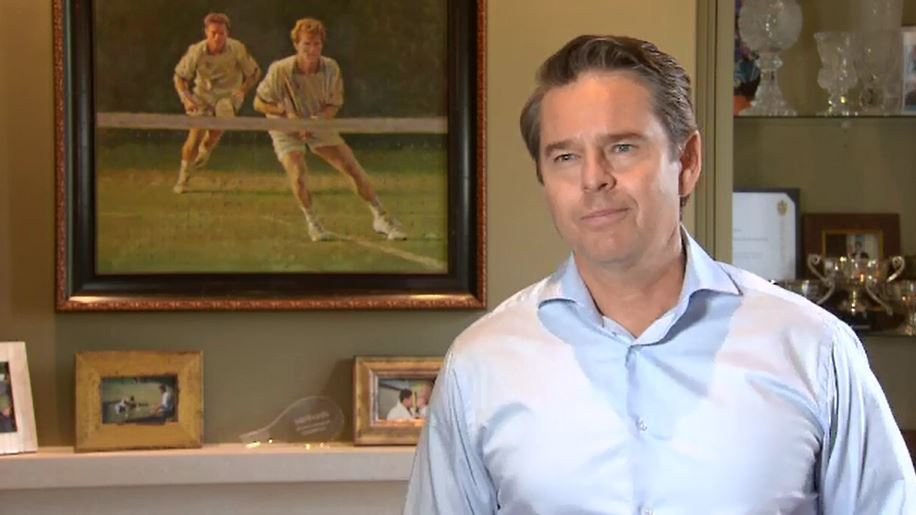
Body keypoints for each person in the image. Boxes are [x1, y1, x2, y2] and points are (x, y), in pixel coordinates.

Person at [404, 35, 916, 514]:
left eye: (622, 147)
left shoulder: (812, 349)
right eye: (565, 156)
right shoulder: (479, 366)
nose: (592, 179)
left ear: (687, 161)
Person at [253, 18, 406, 242]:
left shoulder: (331, 67)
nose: (311, 50)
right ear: (296, 45)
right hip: (284, 125)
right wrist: (287, 116)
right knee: (298, 175)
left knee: (351, 167)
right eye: (306, 44)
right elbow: (258, 103)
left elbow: (333, 104)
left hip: (317, 122)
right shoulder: (279, 69)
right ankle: (314, 224)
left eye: (316, 44)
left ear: (322, 45)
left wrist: (314, 122)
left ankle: (380, 217)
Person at [172, 12, 261, 194]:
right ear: (206, 32)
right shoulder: (196, 51)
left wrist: (242, 90)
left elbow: (255, 73)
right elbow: (179, 77)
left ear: (227, 33)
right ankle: (183, 178)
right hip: (201, 97)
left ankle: (207, 149)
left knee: (219, 122)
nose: (217, 37)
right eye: (213, 33)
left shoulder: (237, 48)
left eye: (221, 33)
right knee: (195, 137)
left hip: (228, 98)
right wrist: (186, 98)